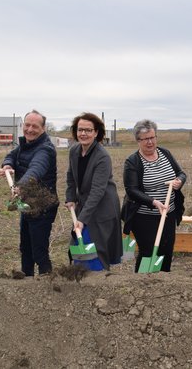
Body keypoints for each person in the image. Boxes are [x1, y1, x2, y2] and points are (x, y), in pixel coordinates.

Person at [121, 120, 186, 272]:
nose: (150, 142)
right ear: (138, 140)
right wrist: (153, 202)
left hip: (168, 214)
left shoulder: (165, 153)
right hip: (144, 217)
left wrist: (179, 181)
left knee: (166, 250)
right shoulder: (133, 161)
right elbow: (132, 190)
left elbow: (181, 173)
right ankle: (144, 282)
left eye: (152, 137)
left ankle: (163, 281)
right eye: (145, 139)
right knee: (148, 252)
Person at [1, 110, 58, 277]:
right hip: (26, 204)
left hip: (43, 206)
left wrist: (20, 186)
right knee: (25, 248)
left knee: (39, 250)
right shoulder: (25, 144)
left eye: (35, 126)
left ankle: (47, 282)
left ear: (43, 128)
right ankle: (27, 282)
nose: (30, 129)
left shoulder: (45, 149)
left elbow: (36, 169)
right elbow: (11, 155)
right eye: (27, 125)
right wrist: (7, 164)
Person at [65, 113, 122, 269]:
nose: (83, 133)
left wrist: (82, 220)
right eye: (80, 129)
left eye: (88, 130)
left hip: (103, 207)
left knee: (95, 245)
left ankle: (97, 278)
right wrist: (70, 198)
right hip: (85, 203)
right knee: (79, 242)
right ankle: (80, 276)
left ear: (96, 133)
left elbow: (97, 191)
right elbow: (71, 177)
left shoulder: (102, 157)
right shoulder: (74, 150)